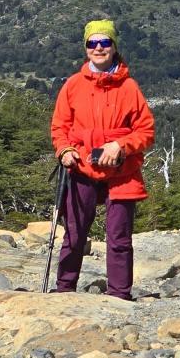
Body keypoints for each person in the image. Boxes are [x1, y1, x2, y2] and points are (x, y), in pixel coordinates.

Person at [50, 19, 156, 301]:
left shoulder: (130, 87)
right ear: (86, 48)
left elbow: (146, 131)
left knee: (119, 237)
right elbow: (60, 127)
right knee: (74, 233)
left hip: (122, 171)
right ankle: (64, 290)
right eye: (92, 43)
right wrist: (64, 151)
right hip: (81, 166)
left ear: (114, 46)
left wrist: (121, 145)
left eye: (105, 42)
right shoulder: (73, 85)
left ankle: (119, 295)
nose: (99, 48)